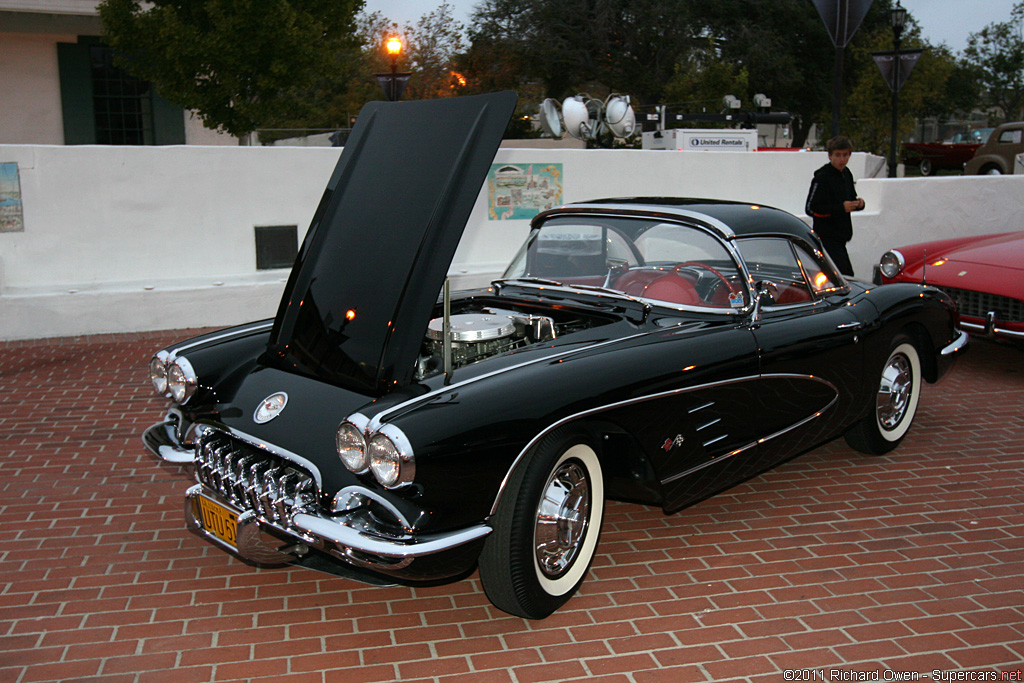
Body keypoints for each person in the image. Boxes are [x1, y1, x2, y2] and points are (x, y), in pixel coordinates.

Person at [805, 135, 865, 277]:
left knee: (837, 277)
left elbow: (850, 199)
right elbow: (810, 208)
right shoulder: (822, 178)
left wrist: (859, 204)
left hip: (841, 237)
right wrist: (840, 208)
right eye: (838, 155)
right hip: (826, 238)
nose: (842, 159)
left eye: (845, 155)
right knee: (845, 275)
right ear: (830, 156)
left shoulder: (847, 174)